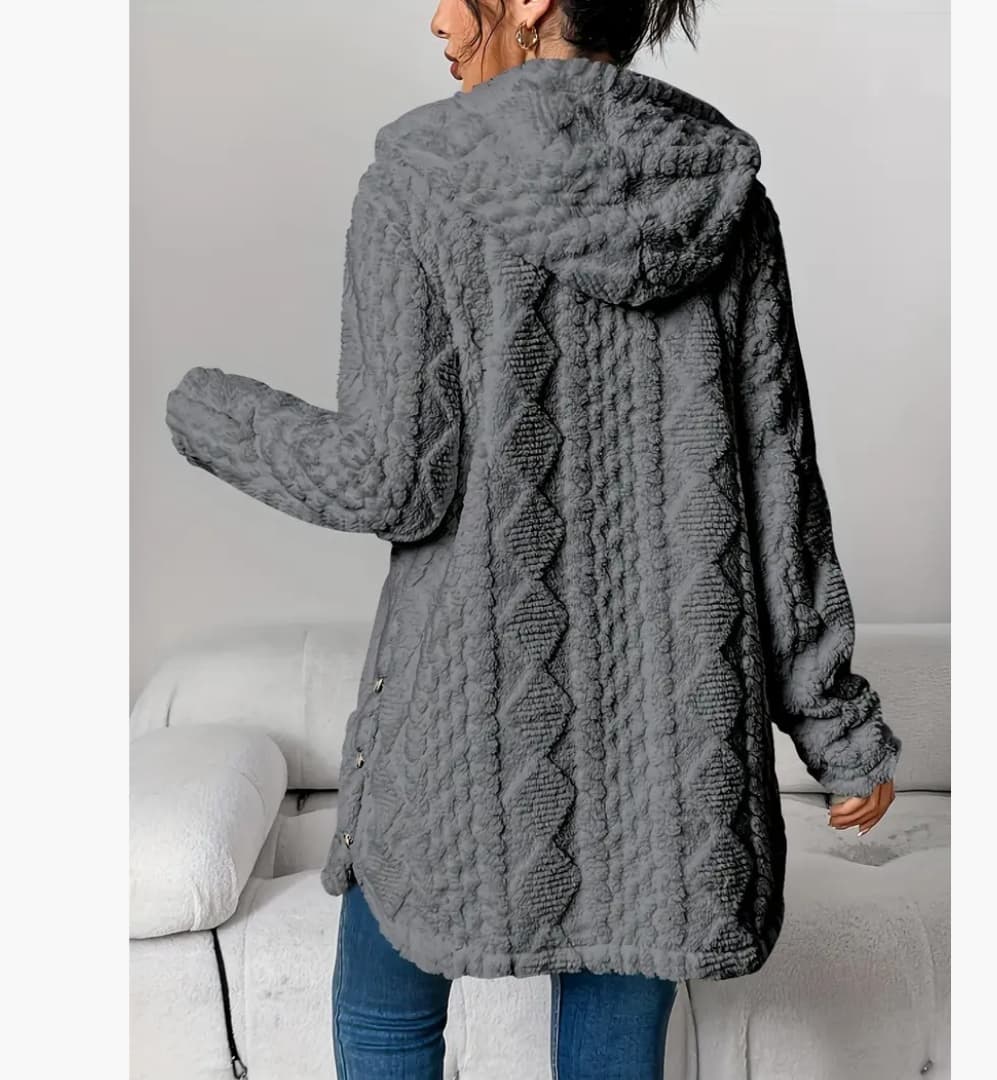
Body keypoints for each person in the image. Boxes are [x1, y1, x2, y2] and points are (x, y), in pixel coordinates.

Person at [164, 1, 903, 1077]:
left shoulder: (418, 182)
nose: (438, 17)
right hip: (674, 747)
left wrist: (207, 411)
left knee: (384, 1016)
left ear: (531, 4)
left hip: (461, 724)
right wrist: (836, 728)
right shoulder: (724, 198)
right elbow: (779, 481)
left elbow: (390, 481)